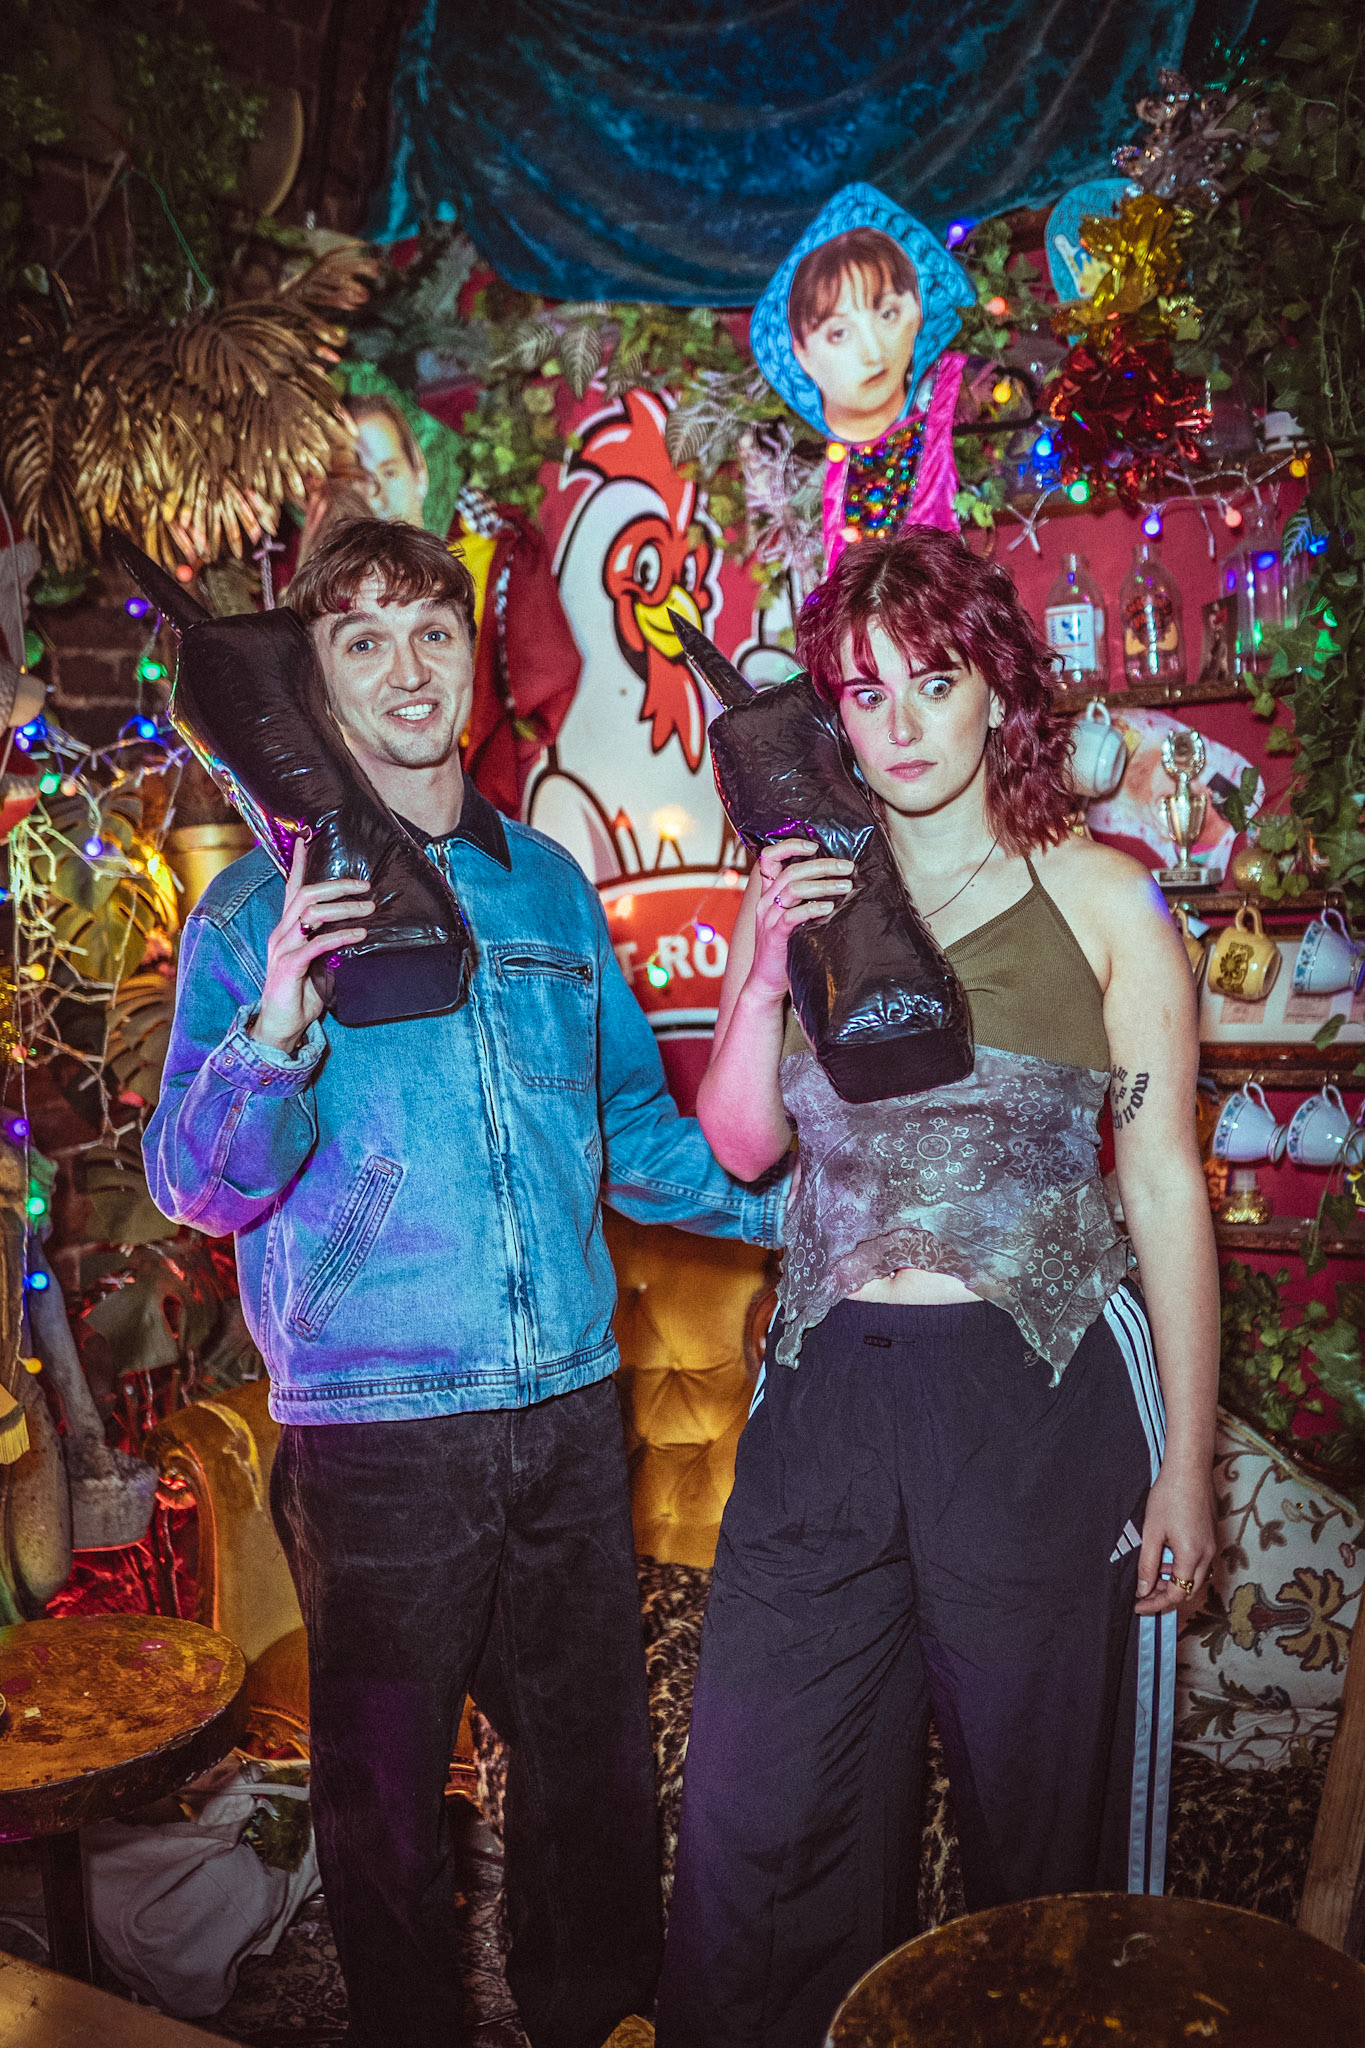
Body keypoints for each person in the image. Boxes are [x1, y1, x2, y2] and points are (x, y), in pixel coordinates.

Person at [142, 518, 786, 2048]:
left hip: (565, 1404)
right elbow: (197, 1183)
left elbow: (632, 1132)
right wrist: (278, 1021)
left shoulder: (549, 888)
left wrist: (812, 1215)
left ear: (472, 665)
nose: (407, 669)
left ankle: (592, 2017)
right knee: (381, 1808)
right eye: (361, 641)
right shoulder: (250, 913)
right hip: (378, 1428)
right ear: (314, 680)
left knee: (588, 1777)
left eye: (432, 631)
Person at [654, 528, 1218, 2048]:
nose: (898, 724)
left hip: (1037, 1401)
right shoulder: (803, 888)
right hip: (826, 1396)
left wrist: (1187, 1464)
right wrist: (761, 968)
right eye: (863, 692)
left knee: (1040, 1823)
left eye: (933, 681)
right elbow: (743, 1145)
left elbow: (1164, 1186)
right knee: (763, 1814)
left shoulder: (1104, 902)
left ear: (998, 692)